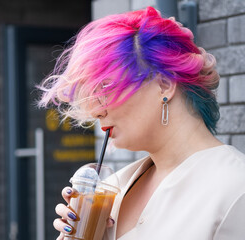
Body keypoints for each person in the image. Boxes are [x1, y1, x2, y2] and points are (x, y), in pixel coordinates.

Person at [37, 6, 245, 240]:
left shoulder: (236, 188)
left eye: (105, 87)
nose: (96, 111)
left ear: (164, 85)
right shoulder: (113, 188)